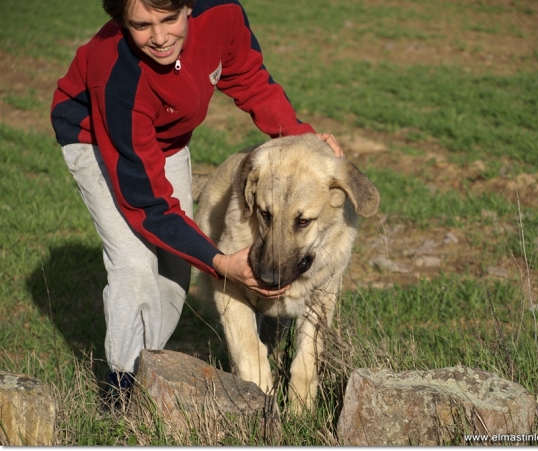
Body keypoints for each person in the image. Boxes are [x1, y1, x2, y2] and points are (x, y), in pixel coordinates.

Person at [50, 0, 344, 397]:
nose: (159, 37)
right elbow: (150, 206)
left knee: (175, 267)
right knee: (136, 263)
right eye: (140, 25)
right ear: (120, 20)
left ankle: (149, 366)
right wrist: (221, 263)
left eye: (169, 19)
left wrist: (300, 137)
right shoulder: (118, 78)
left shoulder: (221, 15)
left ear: (188, 5)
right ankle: (121, 389)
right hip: (98, 136)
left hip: (167, 136)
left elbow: (250, 78)